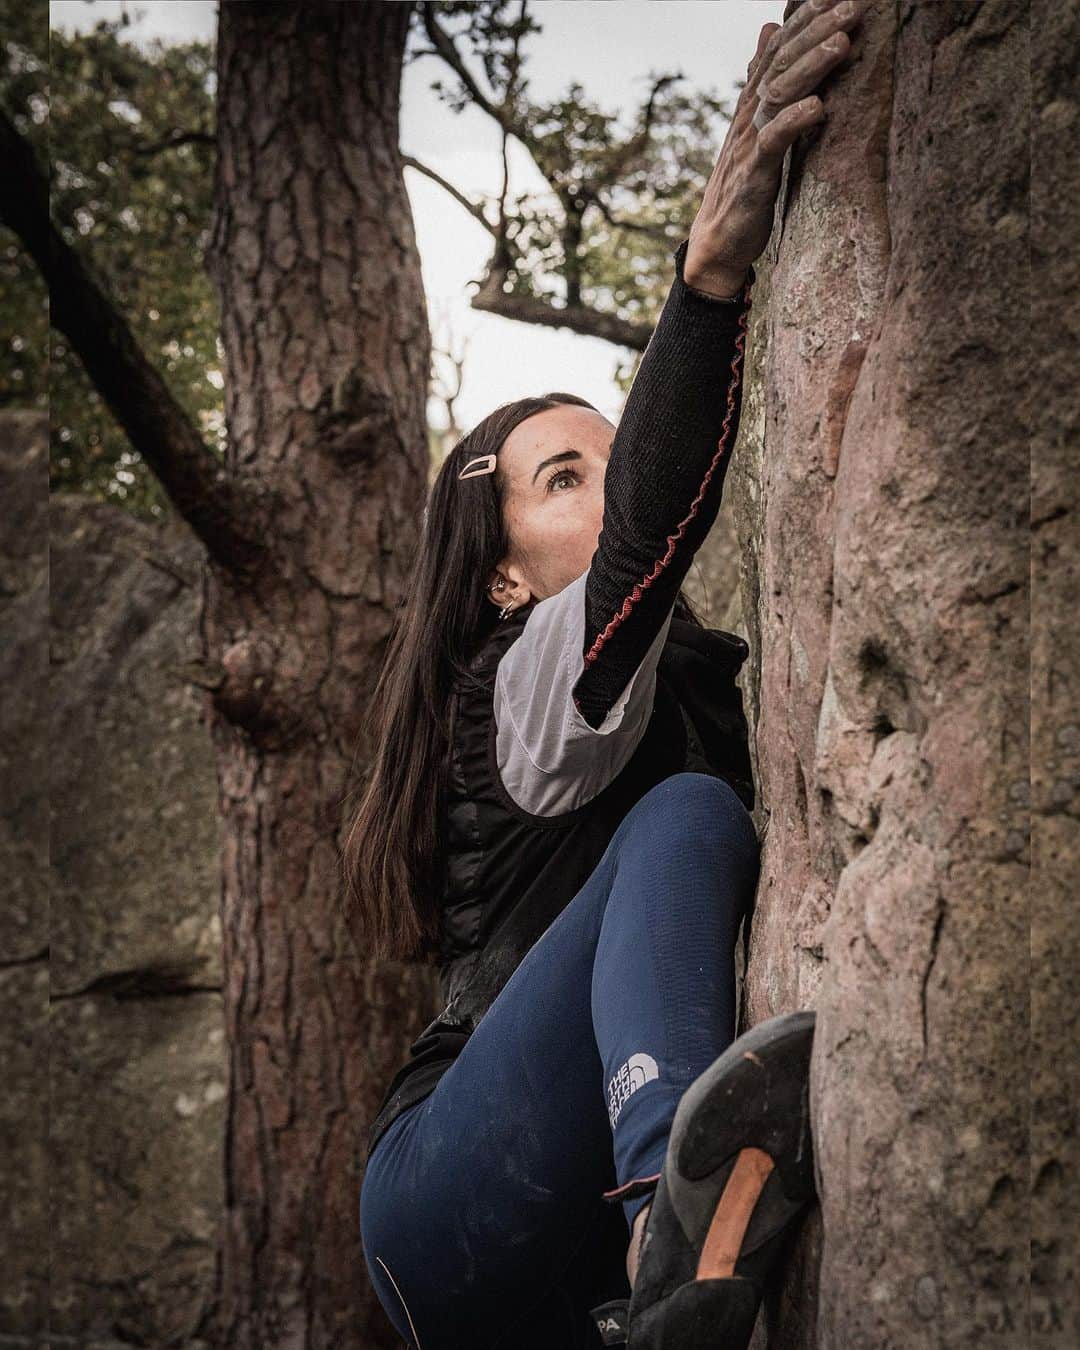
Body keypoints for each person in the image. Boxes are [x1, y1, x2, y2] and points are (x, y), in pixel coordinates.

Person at [346, 3, 867, 1345]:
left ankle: (659, 1275)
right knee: (688, 818)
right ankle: (673, 1223)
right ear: (502, 573)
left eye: (603, 451)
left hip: (553, 1262)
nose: (603, 483)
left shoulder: (676, 683)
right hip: (450, 1203)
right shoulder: (517, 678)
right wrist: (708, 282)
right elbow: (649, 529)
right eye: (559, 476)